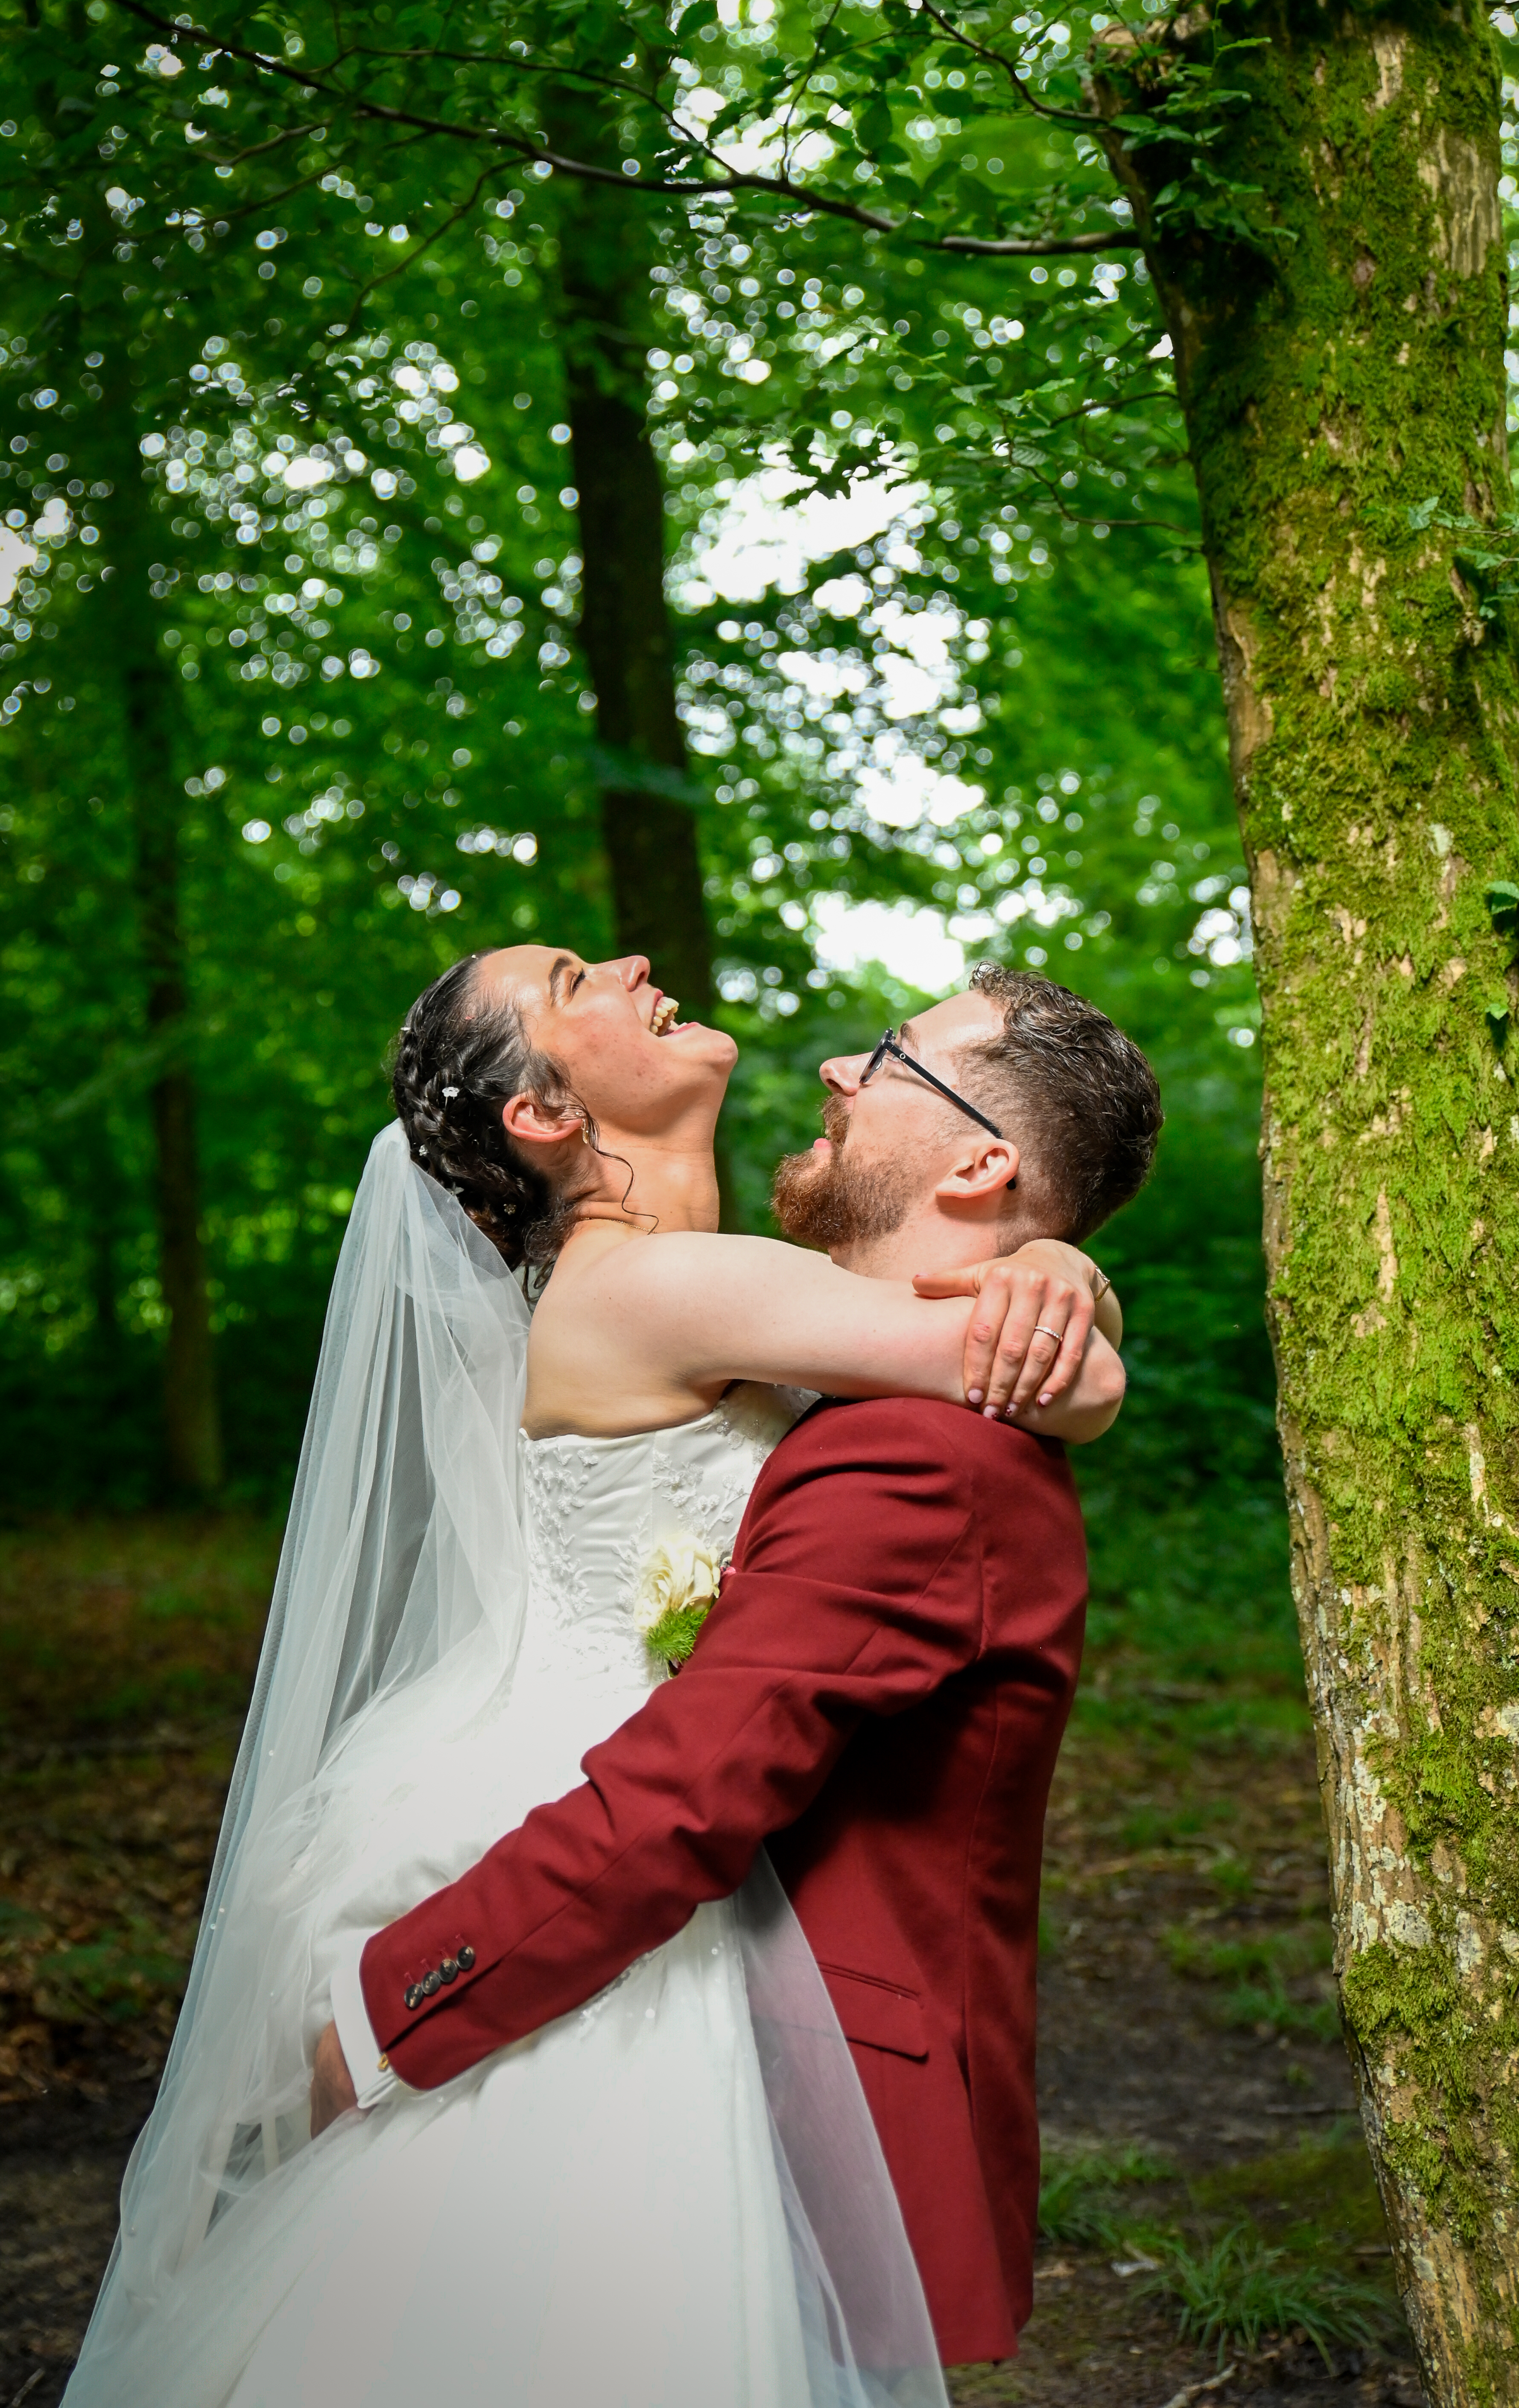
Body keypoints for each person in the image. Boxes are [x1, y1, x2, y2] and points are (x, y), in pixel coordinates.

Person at [65, 947, 1159, 2408]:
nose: (635, 963)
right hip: (602, 1836)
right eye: (578, 976)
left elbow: (951, 1338)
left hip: (631, 1836)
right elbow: (1026, 1370)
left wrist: (1045, 1256)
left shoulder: (742, 1299)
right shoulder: (652, 1286)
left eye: (889, 1060)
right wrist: (1062, 1286)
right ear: (546, 1119)